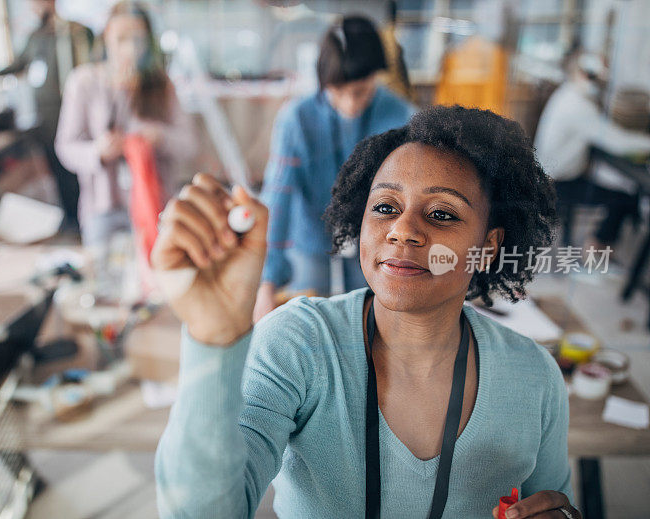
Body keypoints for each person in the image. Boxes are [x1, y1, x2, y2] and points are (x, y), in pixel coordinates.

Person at [151, 105, 579, 518]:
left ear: (488, 248)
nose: (403, 230)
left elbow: (555, 501)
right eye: (385, 207)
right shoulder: (298, 344)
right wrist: (213, 336)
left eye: (442, 214)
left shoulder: (535, 377)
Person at [253, 15, 415, 321]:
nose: (351, 103)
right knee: (304, 318)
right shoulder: (296, 119)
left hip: (373, 237)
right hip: (310, 236)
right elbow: (278, 200)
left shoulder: (402, 117)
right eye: (339, 91)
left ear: (376, 76)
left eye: (361, 90)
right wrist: (266, 282)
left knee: (371, 316)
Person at [54, 1, 195, 291]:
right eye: (121, 39)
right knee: (105, 286)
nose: (129, 47)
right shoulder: (84, 82)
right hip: (103, 206)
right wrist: (98, 150)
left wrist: (159, 136)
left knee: (155, 283)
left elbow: (189, 144)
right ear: (106, 37)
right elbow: (66, 147)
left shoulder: (161, 86)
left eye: (138, 39)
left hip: (155, 205)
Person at [0, 0, 97, 232]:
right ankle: (71, 219)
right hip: (46, 118)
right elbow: (18, 64)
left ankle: (85, 218)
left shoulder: (75, 32)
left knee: (76, 168)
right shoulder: (36, 37)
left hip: (71, 112)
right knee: (57, 169)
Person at [534, 50, 650, 252]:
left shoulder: (568, 94)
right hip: (559, 183)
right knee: (626, 196)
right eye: (595, 76)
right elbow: (617, 141)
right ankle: (595, 251)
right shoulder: (576, 105)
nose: (600, 82)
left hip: (555, 175)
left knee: (621, 185)